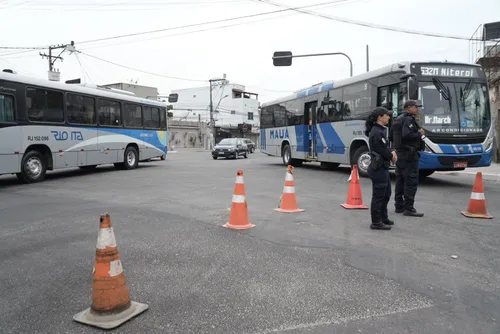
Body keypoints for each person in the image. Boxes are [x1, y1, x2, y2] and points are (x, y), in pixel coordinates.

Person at [390, 100, 425, 217]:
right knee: (411, 181)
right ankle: (409, 208)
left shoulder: (398, 119)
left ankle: (398, 206)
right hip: (409, 154)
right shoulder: (409, 119)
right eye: (416, 107)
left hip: (400, 153)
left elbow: (391, 136)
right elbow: (407, 135)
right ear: (409, 108)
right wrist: (419, 133)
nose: (418, 109)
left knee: (400, 180)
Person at [365, 107, 397, 230]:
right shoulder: (377, 132)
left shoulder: (380, 130)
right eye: (387, 115)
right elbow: (382, 150)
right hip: (378, 168)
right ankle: (376, 222)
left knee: (386, 193)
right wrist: (391, 156)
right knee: (379, 196)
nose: (389, 117)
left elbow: (385, 148)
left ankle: (383, 217)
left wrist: (391, 153)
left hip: (381, 167)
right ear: (380, 117)